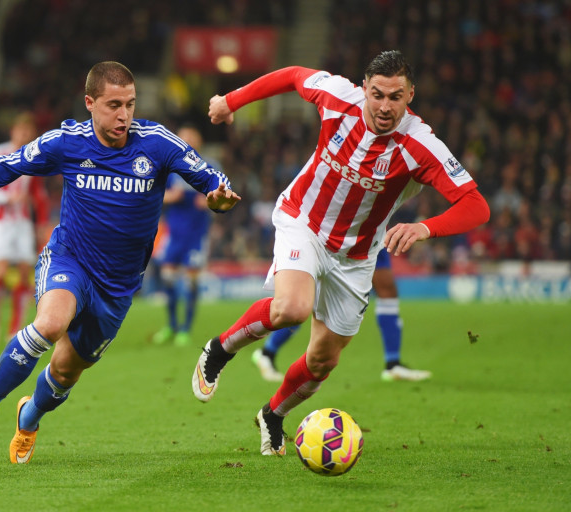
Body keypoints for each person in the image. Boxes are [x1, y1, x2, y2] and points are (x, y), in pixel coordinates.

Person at [0, 62, 240, 464]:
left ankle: (29, 418)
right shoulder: (67, 142)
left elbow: (210, 178)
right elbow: (7, 166)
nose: (124, 115)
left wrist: (220, 198)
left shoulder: (156, 143)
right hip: (71, 259)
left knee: (65, 372)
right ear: (89, 103)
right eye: (114, 105)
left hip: (118, 286)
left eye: (130, 104)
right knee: (49, 324)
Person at [191, 51, 490, 456]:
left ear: (410, 95)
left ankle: (273, 414)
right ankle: (220, 349)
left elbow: (476, 205)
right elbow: (292, 75)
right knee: (292, 308)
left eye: (396, 97)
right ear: (364, 88)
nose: (385, 106)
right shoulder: (336, 96)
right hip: (304, 222)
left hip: (356, 256)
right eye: (377, 94)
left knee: (322, 361)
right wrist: (231, 101)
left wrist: (424, 228)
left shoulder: (421, 145)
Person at [252, 247, 432, 382]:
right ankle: (267, 352)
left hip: (372, 230)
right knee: (305, 300)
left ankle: (393, 364)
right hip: (339, 230)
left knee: (387, 290)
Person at [0, 112, 50, 346]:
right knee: (0, 270)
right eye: (21, 130)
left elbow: (39, 194)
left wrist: (41, 223)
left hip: (22, 222)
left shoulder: (34, 158)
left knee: (24, 272)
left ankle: (14, 328)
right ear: (13, 131)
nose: (24, 135)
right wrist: (6, 198)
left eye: (29, 131)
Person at [152, 125, 217, 347]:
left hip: (196, 235)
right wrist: (173, 196)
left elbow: (219, 198)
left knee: (191, 281)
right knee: (167, 277)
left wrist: (209, 201)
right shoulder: (170, 168)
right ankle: (171, 325)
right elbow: (157, 195)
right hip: (174, 233)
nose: (187, 141)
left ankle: (185, 329)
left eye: (191, 137)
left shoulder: (207, 167)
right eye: (183, 138)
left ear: (198, 141)